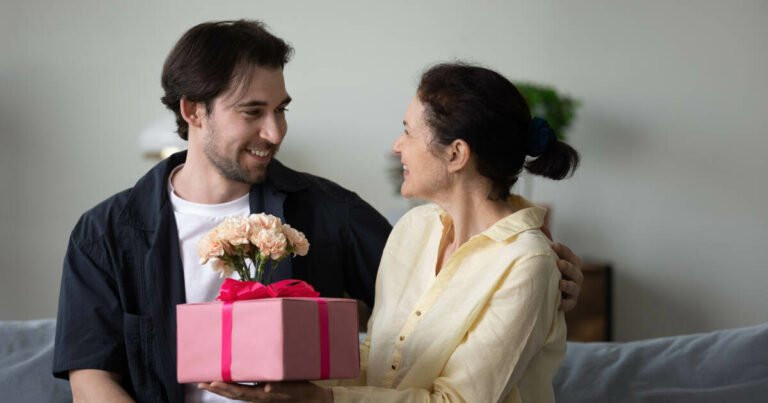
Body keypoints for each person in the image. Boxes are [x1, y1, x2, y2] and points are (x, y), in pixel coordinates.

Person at [53, 20, 583, 403]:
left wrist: (547, 275)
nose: (275, 132)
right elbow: (91, 376)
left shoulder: (333, 213)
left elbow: (447, 290)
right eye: (252, 112)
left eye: (281, 110)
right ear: (193, 111)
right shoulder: (104, 234)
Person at [202, 63, 580, 402]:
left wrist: (321, 401)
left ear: (456, 154)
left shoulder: (527, 262)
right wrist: (286, 381)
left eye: (408, 132)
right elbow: (383, 360)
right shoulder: (414, 229)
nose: (397, 147)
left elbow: (459, 400)